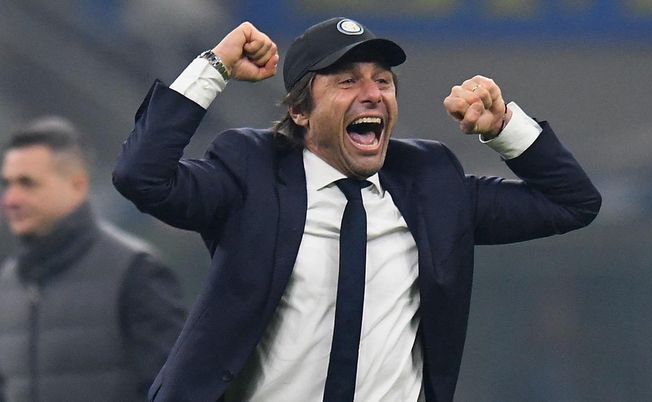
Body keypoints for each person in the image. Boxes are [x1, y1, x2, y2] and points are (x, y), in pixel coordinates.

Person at [112, 17, 601, 402]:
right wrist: (214, 67)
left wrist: (503, 127)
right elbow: (142, 176)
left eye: (383, 81)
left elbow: (572, 203)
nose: (372, 94)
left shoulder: (430, 184)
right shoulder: (251, 174)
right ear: (300, 112)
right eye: (347, 81)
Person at [0, 117, 186, 402]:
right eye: (7, 184)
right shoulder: (8, 283)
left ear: (77, 185)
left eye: (27, 184)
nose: (11, 199)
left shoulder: (136, 272)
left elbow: (177, 390)